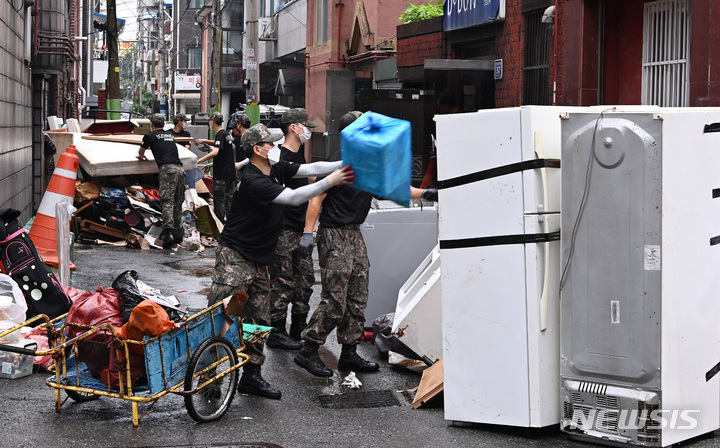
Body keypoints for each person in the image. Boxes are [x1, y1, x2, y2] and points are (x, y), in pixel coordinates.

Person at [205, 123, 353, 399]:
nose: (275, 147)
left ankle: (251, 376)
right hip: (236, 260)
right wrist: (331, 181)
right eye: (270, 144)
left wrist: (347, 163)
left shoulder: (274, 169)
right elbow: (294, 197)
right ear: (257, 150)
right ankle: (207, 377)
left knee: (258, 320)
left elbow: (309, 169)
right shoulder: (252, 180)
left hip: (259, 260)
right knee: (224, 318)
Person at [294, 111, 437, 378]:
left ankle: (349, 353)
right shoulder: (338, 165)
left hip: (354, 234)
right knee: (335, 300)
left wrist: (425, 193)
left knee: (358, 296)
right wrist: (307, 234)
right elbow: (315, 200)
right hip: (334, 234)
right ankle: (309, 349)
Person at [265, 108, 317, 351]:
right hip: (283, 230)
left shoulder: (299, 156)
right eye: (306, 126)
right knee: (283, 282)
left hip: (300, 229)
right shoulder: (279, 158)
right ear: (294, 127)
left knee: (305, 281)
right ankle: (277, 331)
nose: (309, 131)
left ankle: (298, 327)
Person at [137, 113, 186, 249]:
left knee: (167, 200)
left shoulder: (149, 136)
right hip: (180, 170)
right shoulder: (170, 136)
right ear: (164, 125)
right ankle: (178, 233)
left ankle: (167, 233)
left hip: (168, 170)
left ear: (151, 125)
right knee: (177, 201)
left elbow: (141, 152)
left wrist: (141, 157)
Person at [195, 112, 236, 223]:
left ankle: (220, 227)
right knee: (229, 201)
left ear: (212, 122)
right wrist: (203, 140)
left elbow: (215, 152)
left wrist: (198, 161)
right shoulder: (226, 134)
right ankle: (230, 226)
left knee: (219, 202)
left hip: (221, 176)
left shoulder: (220, 135)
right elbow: (218, 144)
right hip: (231, 175)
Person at [230, 113, 251, 182]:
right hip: (245, 171)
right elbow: (230, 146)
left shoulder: (247, 137)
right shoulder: (239, 138)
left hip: (248, 170)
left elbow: (253, 154)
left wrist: (241, 164)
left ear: (239, 125)